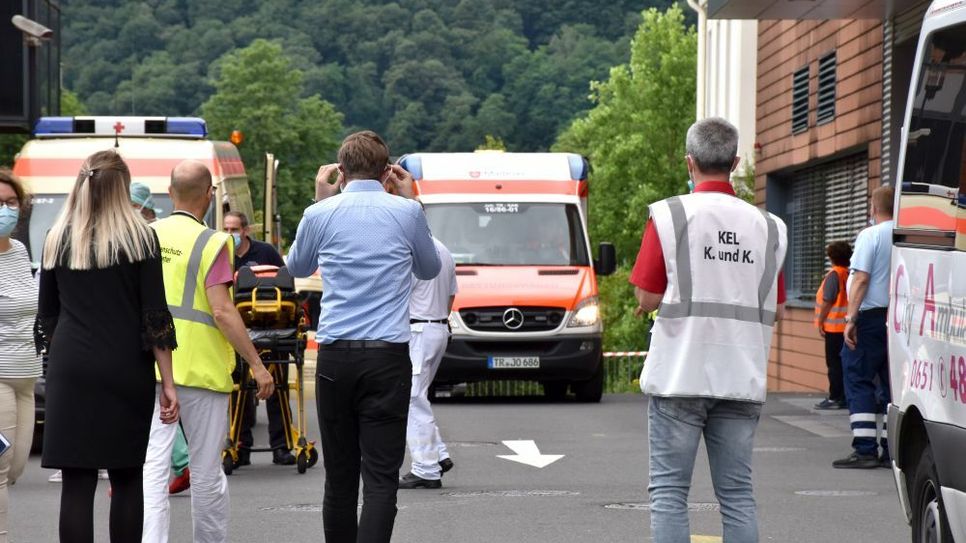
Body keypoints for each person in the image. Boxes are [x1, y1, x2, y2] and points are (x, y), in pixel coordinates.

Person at [629, 117, 788, 543]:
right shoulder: (770, 228)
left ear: (689, 161)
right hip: (740, 376)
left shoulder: (669, 215)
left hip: (680, 375)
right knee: (737, 495)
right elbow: (780, 305)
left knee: (668, 493)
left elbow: (646, 298)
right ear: (735, 162)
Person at [287, 131, 441, 543]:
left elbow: (297, 266)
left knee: (339, 481)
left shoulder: (320, 214)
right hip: (387, 357)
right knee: (379, 480)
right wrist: (413, 201)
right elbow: (428, 269)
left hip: (336, 357)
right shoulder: (406, 213)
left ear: (340, 170)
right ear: (388, 170)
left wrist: (320, 201)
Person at [34, 150, 180, 543]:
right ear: (122, 188)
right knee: (127, 477)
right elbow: (155, 317)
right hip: (124, 366)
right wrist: (168, 383)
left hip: (71, 367)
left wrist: (59, 361)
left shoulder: (56, 238)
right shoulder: (141, 238)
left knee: (76, 483)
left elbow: (47, 316)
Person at [142, 160, 274, 543]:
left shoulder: (145, 235)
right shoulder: (215, 242)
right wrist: (256, 363)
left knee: (152, 467)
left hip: (150, 366)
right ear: (209, 195)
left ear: (170, 193)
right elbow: (222, 310)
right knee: (204, 472)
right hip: (201, 369)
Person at [222, 210, 295, 466]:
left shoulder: (265, 253)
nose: (230, 235)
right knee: (238, 391)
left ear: (245, 231)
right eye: (226, 229)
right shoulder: (221, 255)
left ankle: (281, 446)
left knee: (277, 388)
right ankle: (240, 447)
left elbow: (287, 284)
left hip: (272, 326)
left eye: (234, 229)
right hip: (238, 330)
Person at [833, 185, 895, 469]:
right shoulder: (908, 234)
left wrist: (850, 319)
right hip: (896, 318)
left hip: (869, 318)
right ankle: (889, 448)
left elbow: (860, 279)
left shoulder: (871, 235)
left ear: (873, 208)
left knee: (857, 376)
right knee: (891, 383)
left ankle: (865, 448)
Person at [0, 169, 43, 543]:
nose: (5, 210)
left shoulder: (20, 252)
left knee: (16, 467)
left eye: (11, 203)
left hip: (26, 376)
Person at [399, 236, 457, 489]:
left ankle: (426, 468)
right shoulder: (443, 248)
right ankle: (439, 455)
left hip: (419, 331)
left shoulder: (412, 252)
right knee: (418, 395)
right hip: (439, 327)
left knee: (412, 398)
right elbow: (452, 295)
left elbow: (397, 293)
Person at [813, 241, 852, 410]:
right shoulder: (850, 274)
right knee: (845, 364)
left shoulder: (834, 275)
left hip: (834, 328)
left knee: (833, 364)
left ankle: (835, 397)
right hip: (848, 327)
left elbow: (827, 301)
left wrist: (820, 321)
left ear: (831, 257)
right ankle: (844, 396)